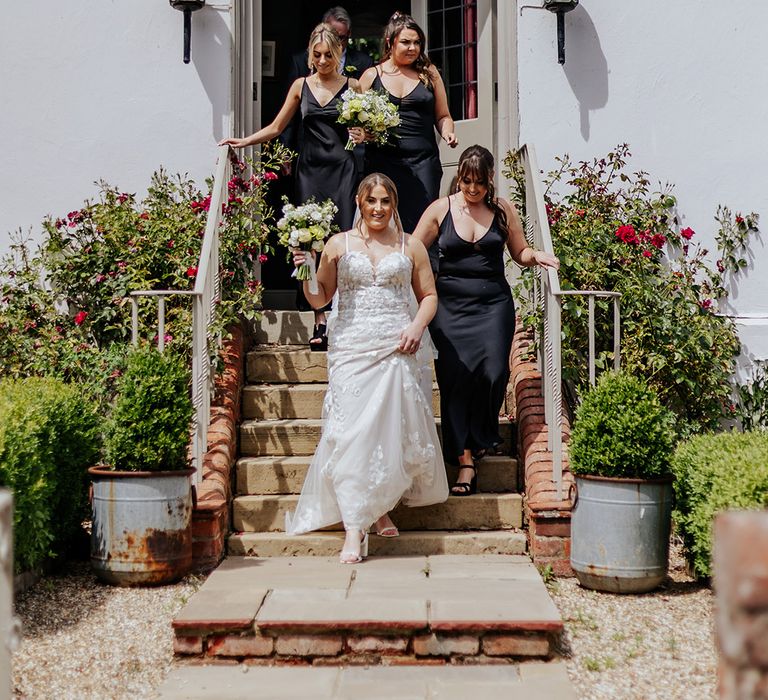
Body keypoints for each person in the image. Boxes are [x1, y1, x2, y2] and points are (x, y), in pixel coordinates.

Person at [285, 173, 449, 563]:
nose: (378, 209)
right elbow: (319, 298)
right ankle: (354, 528)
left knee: (387, 435)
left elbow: (428, 296)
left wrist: (416, 326)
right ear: (359, 202)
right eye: (371, 201)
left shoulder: (411, 247)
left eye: (385, 202)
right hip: (352, 348)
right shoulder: (337, 244)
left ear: (394, 205)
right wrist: (306, 268)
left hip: (396, 345)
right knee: (350, 433)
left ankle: (372, 511)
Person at [413, 145, 559, 496]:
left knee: (494, 372)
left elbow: (519, 252)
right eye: (466, 181)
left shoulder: (502, 209)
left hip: (493, 303)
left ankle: (479, 434)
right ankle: (465, 462)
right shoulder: (440, 210)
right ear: (459, 178)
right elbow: (413, 250)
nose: (472, 189)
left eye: (479, 182)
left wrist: (536, 255)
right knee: (455, 378)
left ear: (490, 179)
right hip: (449, 307)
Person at [220, 24, 357, 350]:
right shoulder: (301, 86)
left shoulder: (352, 87)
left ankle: (343, 314)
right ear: (310, 55)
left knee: (340, 245)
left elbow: (364, 130)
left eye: (328, 55)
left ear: (338, 54)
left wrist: (361, 136)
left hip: (343, 172)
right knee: (308, 245)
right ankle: (319, 319)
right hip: (309, 173)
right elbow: (277, 126)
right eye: (317, 55)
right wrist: (244, 141)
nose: (322, 61)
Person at [352, 13, 458, 269]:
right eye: (406, 42)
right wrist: (362, 135)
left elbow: (443, 115)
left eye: (417, 43)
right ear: (390, 43)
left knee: (423, 222)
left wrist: (448, 132)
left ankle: (425, 282)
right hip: (383, 162)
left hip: (423, 162)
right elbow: (356, 121)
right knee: (382, 219)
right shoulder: (370, 76)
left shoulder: (429, 74)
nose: (413, 48)